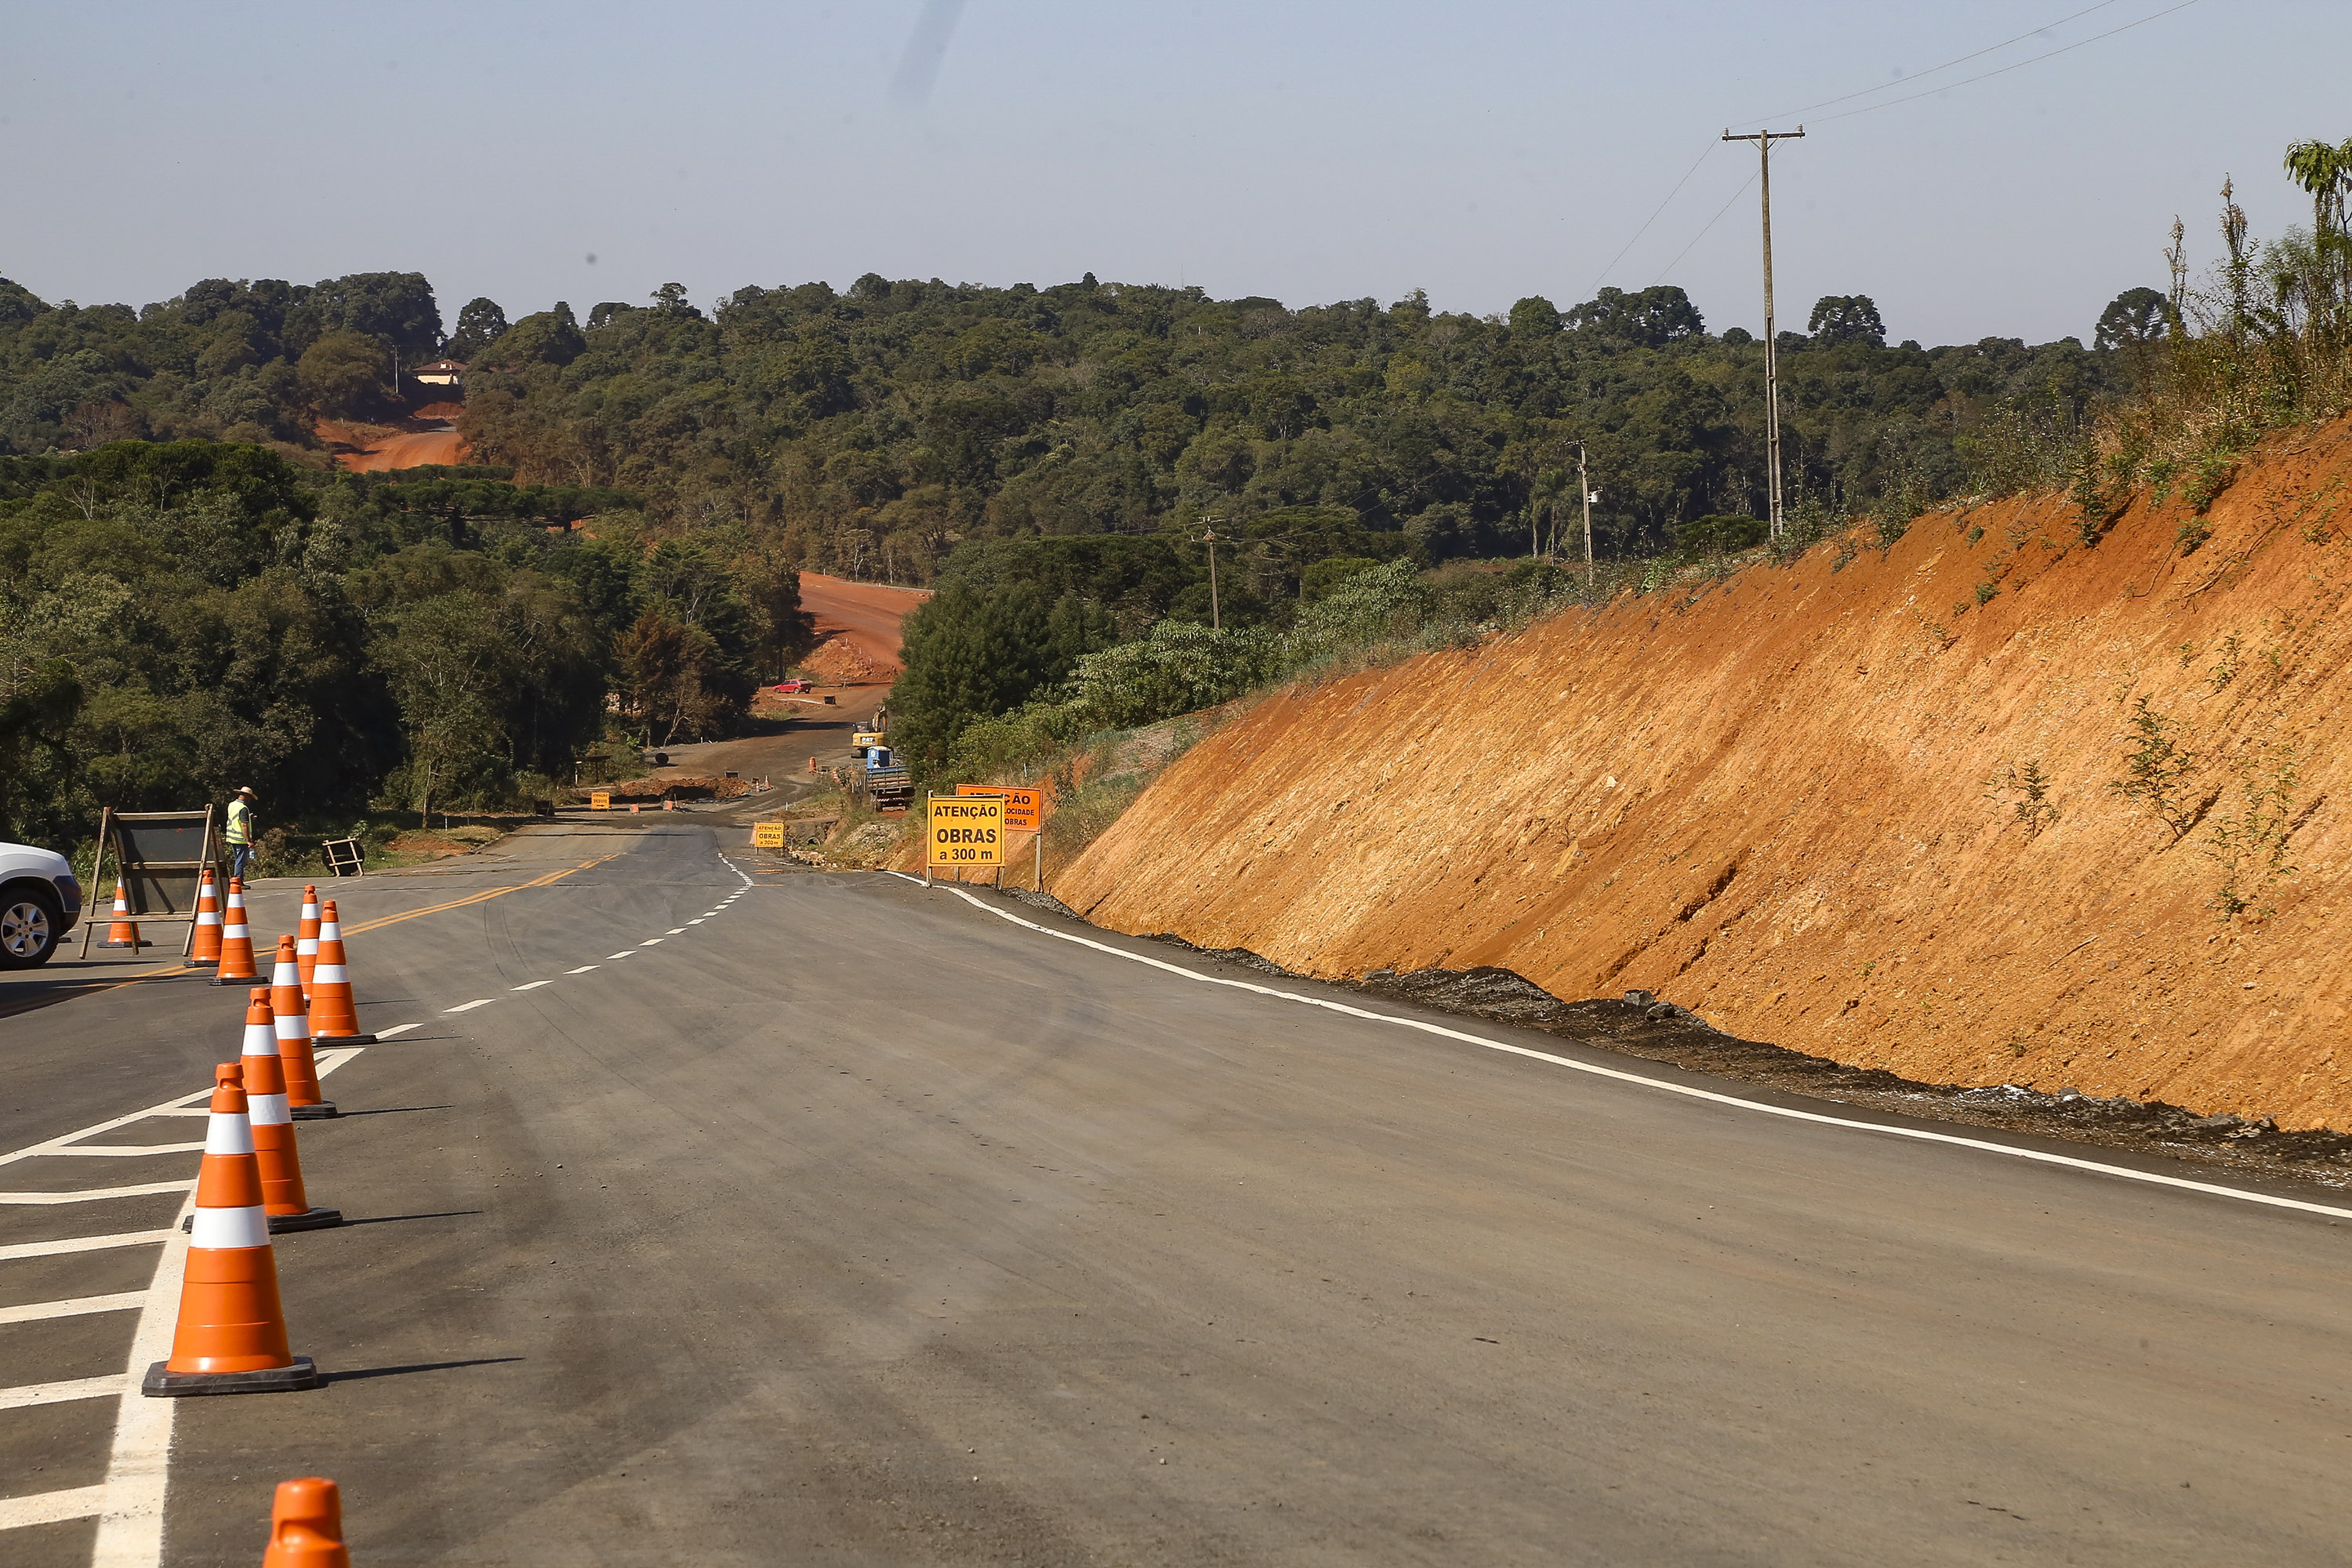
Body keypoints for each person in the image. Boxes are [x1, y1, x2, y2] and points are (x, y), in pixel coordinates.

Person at [225, 786, 258, 884]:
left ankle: (238, 880)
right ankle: (238, 881)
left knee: (238, 859)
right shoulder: (243, 808)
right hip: (240, 838)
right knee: (241, 861)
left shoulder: (232, 804)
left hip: (231, 836)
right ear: (246, 796)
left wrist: (249, 818)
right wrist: (249, 840)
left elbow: (236, 819)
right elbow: (244, 825)